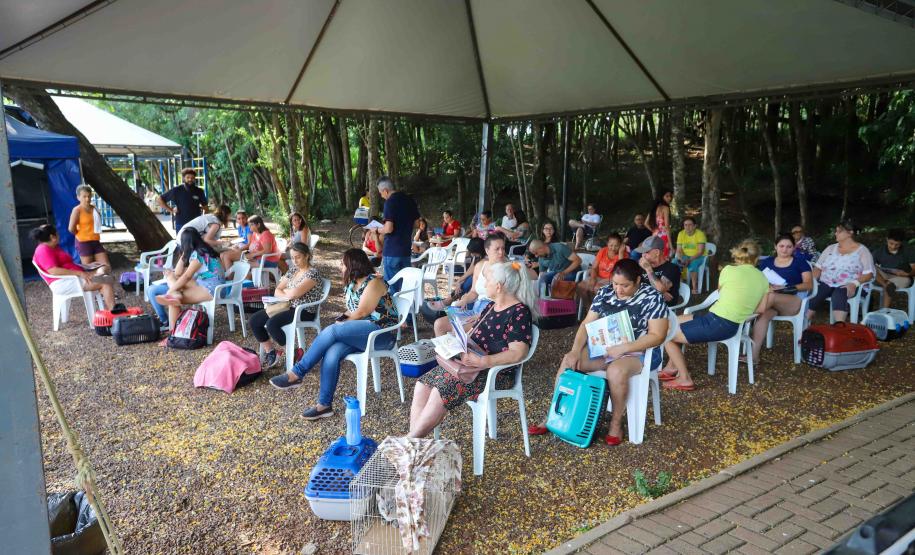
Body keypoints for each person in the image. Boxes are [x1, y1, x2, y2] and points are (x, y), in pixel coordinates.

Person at [530, 259, 669, 445]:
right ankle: (554, 415)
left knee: (616, 371)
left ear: (638, 280)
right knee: (569, 361)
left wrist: (624, 348)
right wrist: (574, 351)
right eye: (615, 283)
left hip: (638, 353)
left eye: (625, 286)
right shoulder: (605, 292)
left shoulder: (652, 296)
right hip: (605, 349)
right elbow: (587, 324)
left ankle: (616, 423)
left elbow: (658, 335)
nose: (618, 290)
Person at [408, 261, 537, 438]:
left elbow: (519, 352)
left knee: (440, 389)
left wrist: (484, 361)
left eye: (488, 280)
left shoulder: (519, 312)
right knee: (422, 384)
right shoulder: (492, 306)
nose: (484, 284)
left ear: (498, 286)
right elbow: (473, 329)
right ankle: (413, 442)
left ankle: (410, 441)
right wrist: (452, 339)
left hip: (494, 373)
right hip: (470, 365)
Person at [269, 249, 399, 420]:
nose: (340, 267)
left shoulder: (373, 282)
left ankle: (297, 373)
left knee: (332, 330)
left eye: (343, 264)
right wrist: (342, 318)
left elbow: (361, 312)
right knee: (332, 352)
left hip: (382, 333)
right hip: (362, 332)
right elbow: (351, 310)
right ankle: (324, 405)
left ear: (353, 265)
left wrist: (340, 323)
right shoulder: (353, 284)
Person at [661, 240, 769, 391]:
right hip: (724, 322)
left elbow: (721, 292)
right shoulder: (763, 278)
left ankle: (685, 378)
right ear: (757, 258)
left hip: (717, 323)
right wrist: (745, 307)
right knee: (672, 321)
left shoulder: (729, 269)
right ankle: (672, 367)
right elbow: (762, 308)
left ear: (737, 256)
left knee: (666, 333)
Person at [249, 242, 325, 368]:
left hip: (303, 311)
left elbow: (294, 294)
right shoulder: (293, 270)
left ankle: (294, 352)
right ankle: (272, 352)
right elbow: (277, 290)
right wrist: (287, 293)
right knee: (254, 321)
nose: (294, 261)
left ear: (306, 256)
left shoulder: (313, 273)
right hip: (286, 305)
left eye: (298, 257)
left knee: (272, 324)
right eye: (292, 257)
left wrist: (287, 293)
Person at [748, 234, 814, 365]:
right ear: (775, 247)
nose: (785, 249)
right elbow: (757, 281)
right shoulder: (766, 262)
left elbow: (808, 284)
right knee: (764, 315)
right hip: (769, 303)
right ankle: (753, 357)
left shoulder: (800, 262)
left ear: (794, 248)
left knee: (770, 297)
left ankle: (745, 317)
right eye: (781, 246)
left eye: (789, 246)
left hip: (793, 301)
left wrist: (787, 287)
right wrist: (769, 286)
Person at [154, 230, 226, 342]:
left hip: (213, 289)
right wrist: (184, 254)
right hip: (210, 284)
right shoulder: (206, 250)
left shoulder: (198, 255)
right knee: (174, 279)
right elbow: (178, 273)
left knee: (172, 301)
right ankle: (174, 293)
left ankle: (172, 337)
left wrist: (171, 289)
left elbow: (187, 276)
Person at [433, 233, 510, 337]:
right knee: (439, 324)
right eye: (497, 249)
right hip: (475, 310)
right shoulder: (480, 266)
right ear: (487, 250)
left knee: (457, 332)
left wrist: (482, 314)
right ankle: (444, 353)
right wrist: (464, 300)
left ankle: (460, 352)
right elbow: (474, 292)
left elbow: (507, 301)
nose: (501, 252)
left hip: (492, 313)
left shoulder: (508, 269)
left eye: (503, 248)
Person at [30, 224, 116, 310]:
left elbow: (66, 264)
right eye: (57, 234)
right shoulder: (43, 250)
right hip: (64, 282)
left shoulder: (54, 247)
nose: (59, 236)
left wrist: (86, 266)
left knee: (105, 268)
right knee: (106, 281)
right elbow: (53, 271)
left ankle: (108, 306)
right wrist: (80, 273)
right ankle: (112, 312)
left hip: (73, 277)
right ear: (52, 237)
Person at [807, 219, 875, 323]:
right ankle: (804, 327)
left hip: (850, 285)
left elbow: (869, 274)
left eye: (839, 231)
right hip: (827, 283)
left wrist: (854, 284)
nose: (835, 233)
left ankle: (840, 327)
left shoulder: (862, 250)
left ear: (850, 233)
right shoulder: (830, 248)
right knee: (815, 293)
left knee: (840, 292)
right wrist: (812, 282)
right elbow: (818, 268)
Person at [377, 176, 419, 292]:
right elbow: (417, 224)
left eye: (381, 193)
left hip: (392, 250)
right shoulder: (410, 200)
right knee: (405, 286)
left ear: (385, 191)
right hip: (406, 250)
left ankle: (393, 310)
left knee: (391, 286)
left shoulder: (389, 203)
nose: (381, 196)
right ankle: (406, 309)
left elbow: (389, 228)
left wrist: (378, 230)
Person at [67, 184, 110, 274]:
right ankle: (97, 286)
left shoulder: (94, 208)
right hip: (83, 243)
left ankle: (101, 283)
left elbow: (97, 223)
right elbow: (71, 228)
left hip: (95, 241)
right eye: (84, 196)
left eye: (89, 196)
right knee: (89, 269)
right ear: (78, 197)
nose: (87, 199)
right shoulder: (77, 210)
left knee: (106, 267)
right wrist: (80, 234)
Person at [576, 233, 625, 309]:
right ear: (607, 244)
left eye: (616, 246)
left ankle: (599, 312)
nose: (613, 248)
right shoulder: (603, 251)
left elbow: (622, 270)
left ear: (621, 245)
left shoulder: (623, 254)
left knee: (597, 288)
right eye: (611, 245)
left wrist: (621, 253)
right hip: (598, 277)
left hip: (613, 279)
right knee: (581, 286)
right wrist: (593, 279)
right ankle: (588, 309)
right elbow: (594, 267)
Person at [873, 229, 914, 309]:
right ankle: (886, 285)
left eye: (897, 244)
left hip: (903, 277)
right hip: (884, 277)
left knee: (890, 285)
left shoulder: (909, 251)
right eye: (891, 243)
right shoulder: (879, 251)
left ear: (901, 243)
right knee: (872, 268)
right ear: (887, 239)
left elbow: (914, 269)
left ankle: (884, 312)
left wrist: (906, 273)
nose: (893, 246)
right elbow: (870, 267)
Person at [635, 236, 681, 306]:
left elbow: (660, 289)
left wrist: (648, 269)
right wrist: (661, 292)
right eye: (642, 252)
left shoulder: (672, 268)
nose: (642, 255)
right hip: (646, 302)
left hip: (662, 306)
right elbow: (634, 286)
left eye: (646, 252)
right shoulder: (642, 266)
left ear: (657, 252)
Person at [674, 217, 707, 294]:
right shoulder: (681, 234)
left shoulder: (700, 234)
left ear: (695, 226)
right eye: (685, 225)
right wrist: (681, 258)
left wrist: (689, 260)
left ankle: (694, 288)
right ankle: (680, 284)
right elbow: (679, 250)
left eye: (690, 225)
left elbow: (700, 252)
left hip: (699, 256)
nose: (687, 227)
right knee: (674, 262)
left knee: (693, 264)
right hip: (685, 256)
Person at [646, 190, 673, 257]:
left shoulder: (654, 208)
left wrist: (655, 231)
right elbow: (666, 227)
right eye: (667, 196)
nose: (669, 198)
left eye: (670, 196)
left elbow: (646, 223)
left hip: (654, 236)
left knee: (657, 257)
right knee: (664, 258)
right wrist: (670, 244)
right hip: (664, 237)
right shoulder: (665, 208)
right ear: (661, 197)